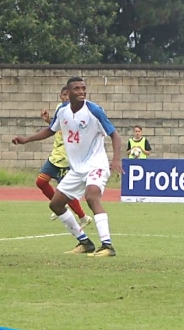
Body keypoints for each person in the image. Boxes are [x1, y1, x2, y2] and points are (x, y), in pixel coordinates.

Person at [12, 77, 123, 257]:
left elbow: (115, 135)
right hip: (77, 168)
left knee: (91, 197)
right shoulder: (63, 110)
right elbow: (50, 130)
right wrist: (26, 139)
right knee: (55, 204)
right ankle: (84, 242)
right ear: (68, 93)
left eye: (83, 88)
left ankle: (107, 245)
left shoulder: (93, 110)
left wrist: (116, 160)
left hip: (96, 164)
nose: (81, 92)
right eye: (77, 89)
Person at [38, 86, 93, 229]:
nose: (67, 98)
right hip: (55, 155)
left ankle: (82, 216)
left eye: (69, 95)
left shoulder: (77, 112)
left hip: (66, 157)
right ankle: (61, 207)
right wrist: (48, 121)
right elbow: (56, 128)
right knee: (41, 182)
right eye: (64, 95)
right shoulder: (60, 109)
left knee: (65, 191)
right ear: (60, 96)